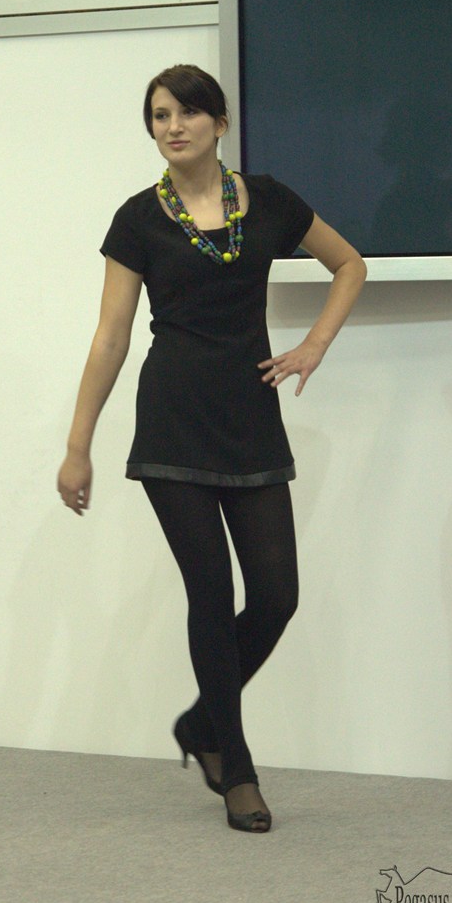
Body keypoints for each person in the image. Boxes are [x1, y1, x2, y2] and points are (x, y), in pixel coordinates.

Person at [57, 65, 366, 833]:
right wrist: (77, 446)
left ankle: (199, 724)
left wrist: (314, 345)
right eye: (159, 115)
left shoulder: (268, 200)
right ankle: (237, 768)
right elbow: (110, 337)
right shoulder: (137, 219)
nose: (173, 126)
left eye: (188, 112)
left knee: (276, 596)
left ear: (219, 123)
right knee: (208, 593)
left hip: (249, 417)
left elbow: (349, 264)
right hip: (172, 421)